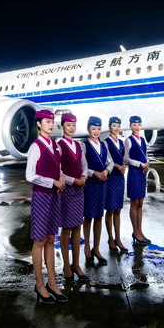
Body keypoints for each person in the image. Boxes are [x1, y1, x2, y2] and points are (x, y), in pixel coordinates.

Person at [25, 109, 68, 304]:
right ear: (39, 124)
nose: (51, 124)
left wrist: (61, 177)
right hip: (42, 196)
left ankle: (52, 282)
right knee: (40, 241)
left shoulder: (55, 145)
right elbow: (30, 175)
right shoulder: (36, 146)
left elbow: (58, 168)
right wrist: (52, 182)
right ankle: (39, 284)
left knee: (51, 238)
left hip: (55, 196)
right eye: (47, 121)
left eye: (52, 121)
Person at [56, 113, 89, 283]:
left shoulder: (78, 145)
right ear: (62, 126)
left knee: (77, 227)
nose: (71, 128)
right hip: (67, 191)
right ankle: (66, 265)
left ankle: (76, 264)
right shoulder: (59, 145)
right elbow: (58, 170)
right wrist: (73, 180)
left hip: (79, 190)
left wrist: (83, 177)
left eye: (73, 125)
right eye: (68, 125)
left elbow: (84, 164)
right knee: (67, 229)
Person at [82, 116, 113, 266]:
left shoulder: (103, 144)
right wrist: (94, 173)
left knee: (99, 217)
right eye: (93, 128)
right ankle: (87, 247)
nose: (96, 131)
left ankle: (96, 248)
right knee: (88, 217)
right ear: (88, 129)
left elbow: (110, 162)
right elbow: (83, 167)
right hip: (90, 185)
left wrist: (106, 171)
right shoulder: (84, 145)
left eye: (98, 129)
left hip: (102, 185)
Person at [124, 115, 150, 245]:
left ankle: (140, 231)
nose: (137, 127)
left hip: (142, 173)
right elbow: (126, 159)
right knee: (134, 203)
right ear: (130, 126)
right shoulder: (128, 140)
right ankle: (135, 231)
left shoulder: (143, 140)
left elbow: (145, 155)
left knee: (140, 203)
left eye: (139, 124)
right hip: (134, 172)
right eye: (134, 124)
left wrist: (147, 163)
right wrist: (139, 164)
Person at [104, 116, 129, 254]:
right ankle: (110, 238)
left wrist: (125, 165)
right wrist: (118, 166)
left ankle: (118, 238)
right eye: (114, 126)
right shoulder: (106, 142)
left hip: (120, 178)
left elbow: (125, 157)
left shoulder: (121, 142)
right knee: (110, 210)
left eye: (118, 126)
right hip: (111, 177)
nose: (116, 128)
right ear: (109, 127)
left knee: (118, 209)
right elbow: (107, 159)